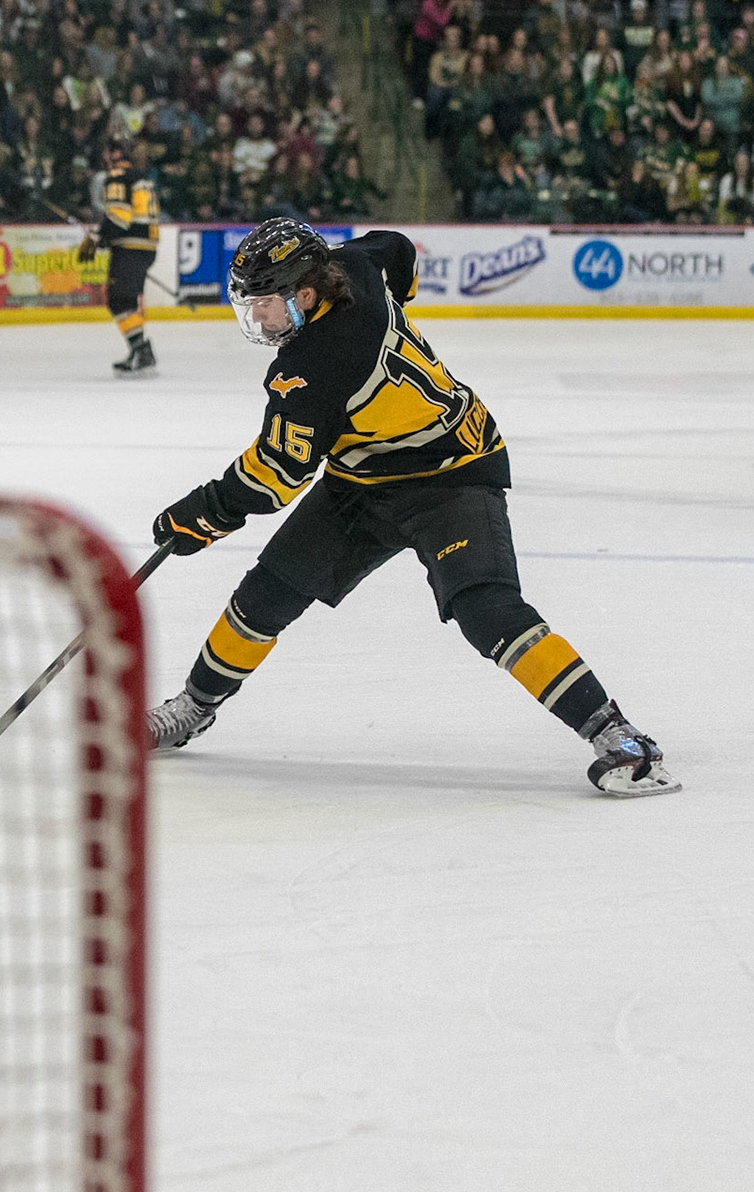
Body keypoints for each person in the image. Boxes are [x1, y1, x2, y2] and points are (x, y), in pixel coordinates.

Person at [144, 219, 681, 798]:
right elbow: (396, 248)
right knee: (265, 595)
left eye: (265, 306)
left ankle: (621, 738)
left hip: (451, 475)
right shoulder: (353, 266)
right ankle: (195, 708)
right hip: (364, 476)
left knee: (486, 608)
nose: (258, 320)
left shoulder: (312, 370)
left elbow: (274, 478)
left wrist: (200, 513)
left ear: (304, 294)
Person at [78, 139, 160, 377]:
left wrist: (97, 237)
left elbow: (119, 217)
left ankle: (141, 350)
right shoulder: (141, 176)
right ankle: (141, 349)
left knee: (119, 301)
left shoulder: (117, 176)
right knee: (127, 302)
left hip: (131, 247)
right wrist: (104, 238)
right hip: (146, 245)